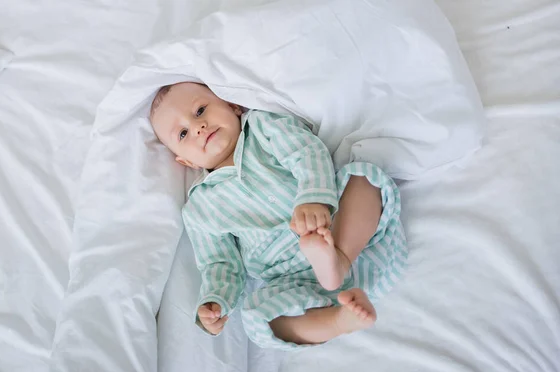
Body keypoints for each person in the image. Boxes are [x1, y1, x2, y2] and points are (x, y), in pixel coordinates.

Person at [149, 82, 407, 350]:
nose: (198, 127)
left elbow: (306, 153)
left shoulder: (263, 128)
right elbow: (219, 261)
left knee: (364, 175)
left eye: (201, 110)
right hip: (289, 277)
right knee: (256, 317)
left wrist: (313, 197)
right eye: (182, 134)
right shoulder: (200, 208)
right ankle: (339, 319)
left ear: (232, 106)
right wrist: (216, 299)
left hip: (338, 228)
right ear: (185, 162)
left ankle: (338, 260)